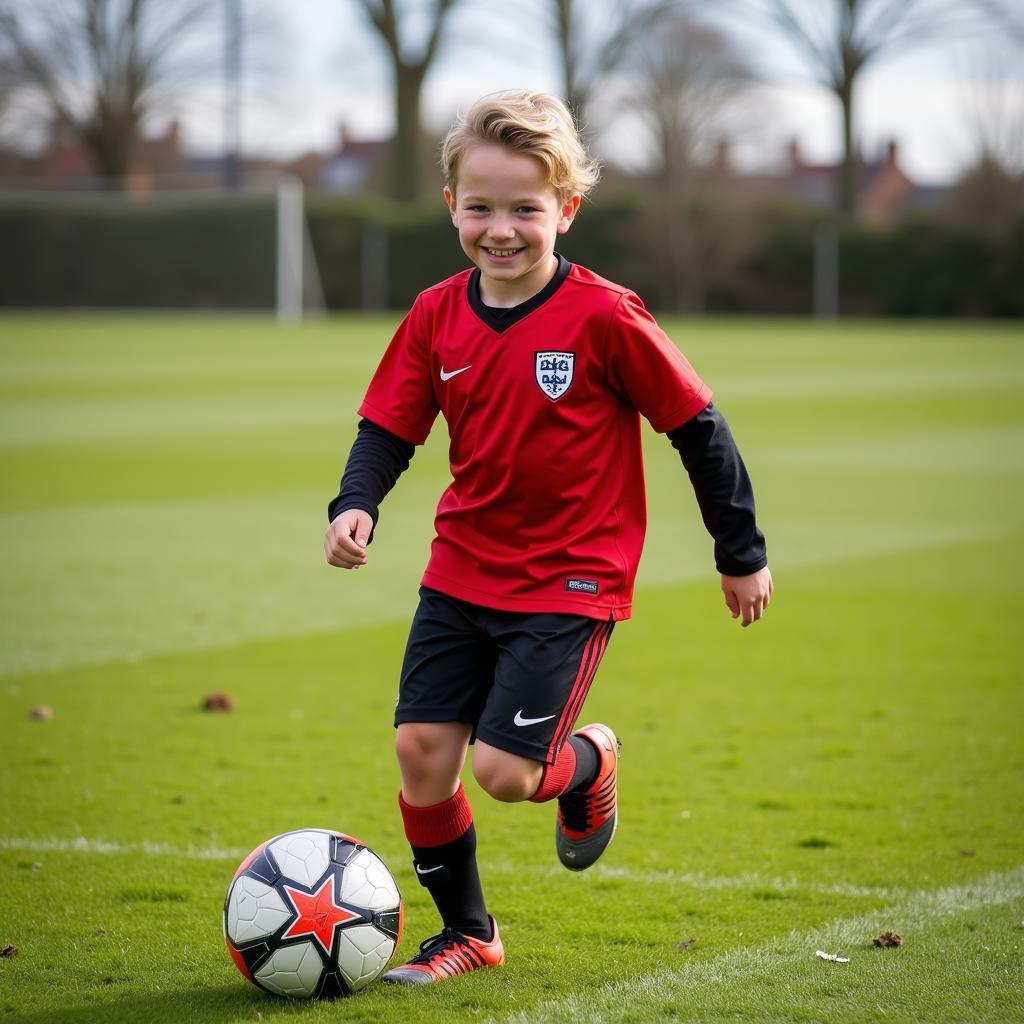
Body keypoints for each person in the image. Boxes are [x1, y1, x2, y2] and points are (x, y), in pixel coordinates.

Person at [324, 90, 773, 985]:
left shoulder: (607, 316)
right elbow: (388, 426)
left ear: (565, 209)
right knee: (420, 752)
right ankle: (470, 934)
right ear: (451, 204)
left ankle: (590, 760)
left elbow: (698, 426)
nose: (501, 229)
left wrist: (741, 551)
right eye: (480, 207)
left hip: (570, 578)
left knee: (502, 773)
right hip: (462, 566)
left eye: (525, 209)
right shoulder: (434, 315)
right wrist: (355, 501)